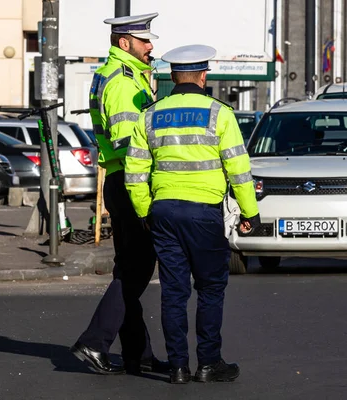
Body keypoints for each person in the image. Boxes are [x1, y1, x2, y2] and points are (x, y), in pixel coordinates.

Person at [124, 44, 261, 384]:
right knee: (211, 288)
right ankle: (209, 363)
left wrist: (145, 210)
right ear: (203, 76)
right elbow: (239, 169)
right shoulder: (220, 114)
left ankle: (178, 367)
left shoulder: (151, 114)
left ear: (172, 77)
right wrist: (250, 212)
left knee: (173, 292)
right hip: (203, 214)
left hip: (164, 212)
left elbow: (135, 171)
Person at [70, 12, 168, 376]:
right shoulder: (124, 83)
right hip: (130, 180)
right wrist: (146, 187)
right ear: (125, 43)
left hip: (118, 179)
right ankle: (94, 341)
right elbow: (131, 146)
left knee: (129, 267)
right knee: (137, 268)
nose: (151, 46)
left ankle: (137, 353)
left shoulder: (115, 75)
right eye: (145, 41)